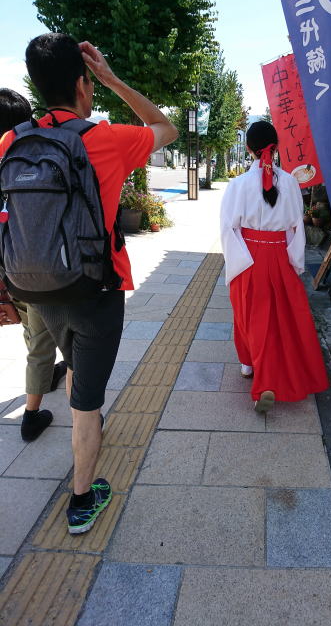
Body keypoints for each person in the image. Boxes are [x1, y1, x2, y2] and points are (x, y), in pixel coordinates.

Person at [0, 33, 178, 534]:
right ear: (83, 83)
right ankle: (82, 500)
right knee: (87, 404)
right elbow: (166, 128)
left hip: (37, 289)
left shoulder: (12, 142)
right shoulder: (107, 139)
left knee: (77, 368)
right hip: (97, 291)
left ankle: (86, 419)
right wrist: (113, 79)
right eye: (91, 82)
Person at [220, 120, 328, 413]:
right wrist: (295, 262)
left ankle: (254, 371)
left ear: (248, 148)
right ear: (276, 147)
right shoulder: (291, 183)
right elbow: (296, 227)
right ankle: (279, 370)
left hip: (247, 256)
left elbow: (228, 228)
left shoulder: (238, 185)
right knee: (279, 320)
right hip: (280, 254)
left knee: (249, 316)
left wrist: (236, 263)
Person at [0, 88, 67, 442]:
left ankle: (46, 376)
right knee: (41, 342)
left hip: (7, 270)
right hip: (34, 268)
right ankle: (30, 415)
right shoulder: (33, 160)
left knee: (31, 330)